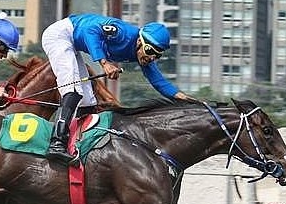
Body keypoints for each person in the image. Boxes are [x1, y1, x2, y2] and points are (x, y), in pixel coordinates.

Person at [41, 13, 194, 165]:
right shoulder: (123, 33)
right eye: (149, 51)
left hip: (73, 44)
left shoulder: (142, 55)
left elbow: (158, 81)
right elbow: (89, 30)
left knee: (88, 100)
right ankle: (57, 143)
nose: (151, 58)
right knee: (74, 90)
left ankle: (79, 143)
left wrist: (181, 97)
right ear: (140, 41)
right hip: (60, 36)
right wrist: (104, 63)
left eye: (157, 55)